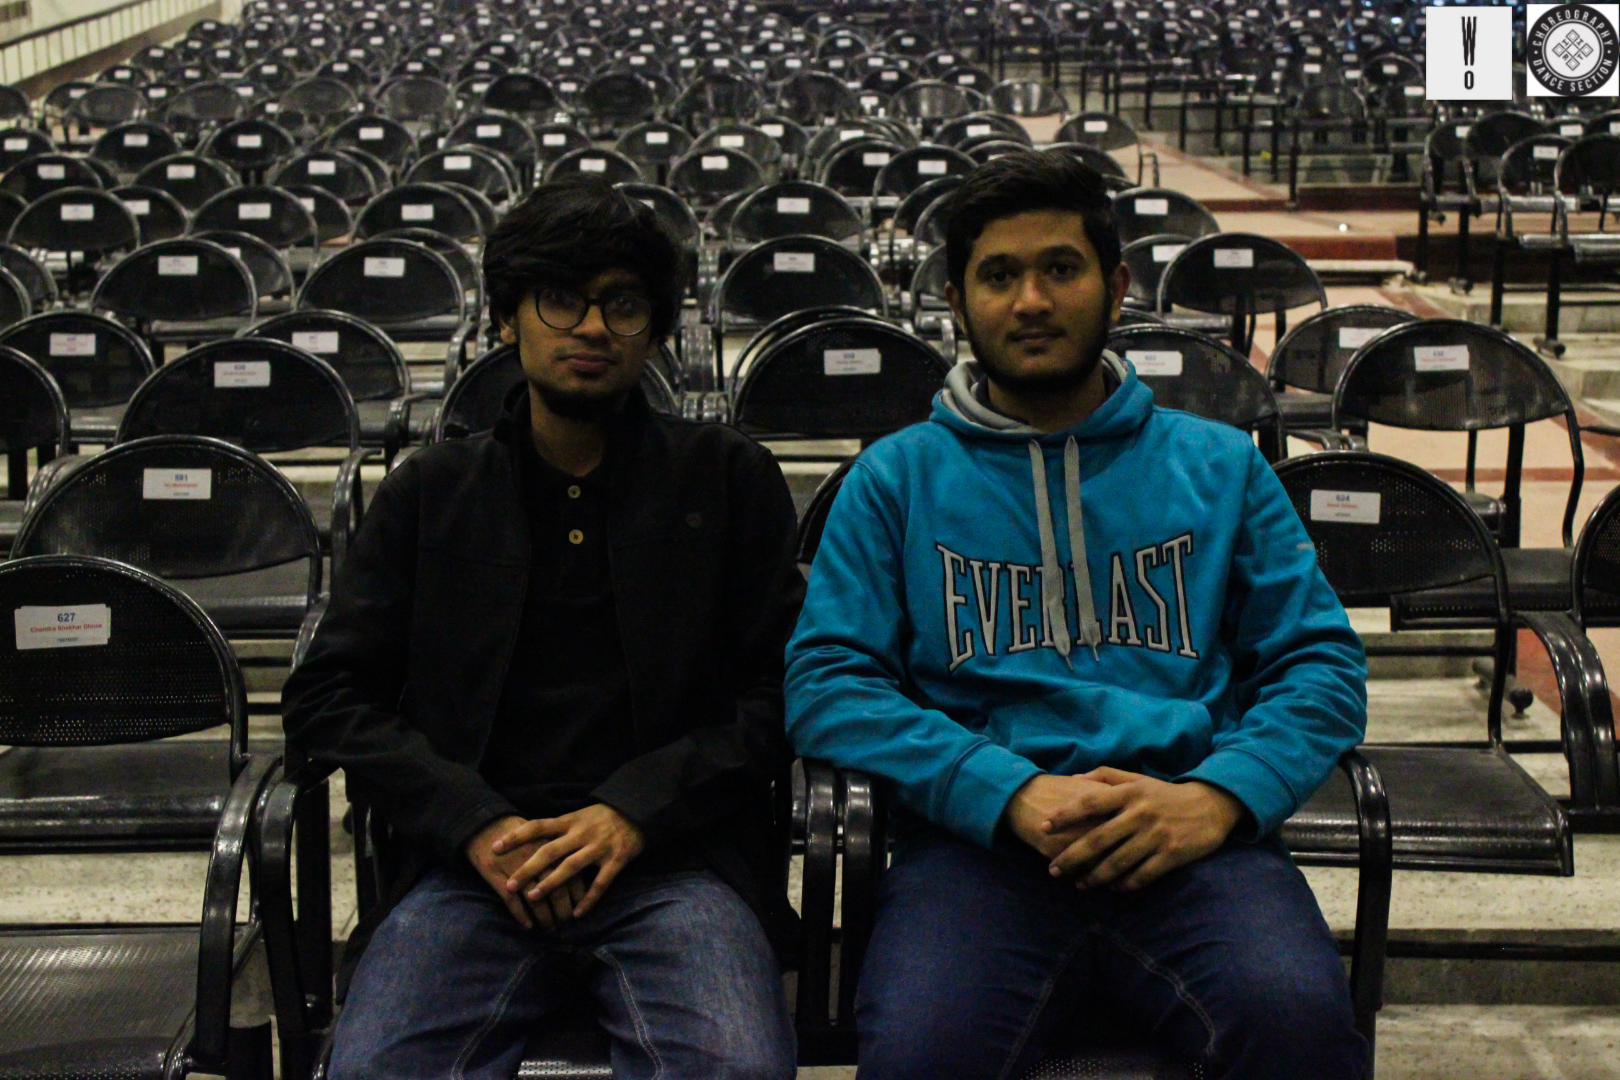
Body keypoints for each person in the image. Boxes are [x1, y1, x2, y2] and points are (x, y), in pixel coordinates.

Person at [784, 149, 1369, 1080]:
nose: (1031, 301)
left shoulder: (1221, 467)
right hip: (975, 854)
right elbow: (828, 684)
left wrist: (1220, 797)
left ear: (1116, 285)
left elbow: (1321, 664)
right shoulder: (894, 480)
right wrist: (1003, 790)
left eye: (1060, 268)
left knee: (1301, 1030)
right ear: (957, 301)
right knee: (919, 1059)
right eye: (999, 276)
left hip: (1190, 838)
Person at [282, 177, 802, 1080]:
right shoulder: (430, 493)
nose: (592, 328)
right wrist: (473, 822)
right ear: (504, 320)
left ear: (655, 332)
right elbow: (327, 695)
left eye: (624, 305)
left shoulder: (728, 479)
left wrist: (634, 811)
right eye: (561, 299)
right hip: (473, 872)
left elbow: (786, 687)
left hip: (675, 866)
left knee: (738, 1071)